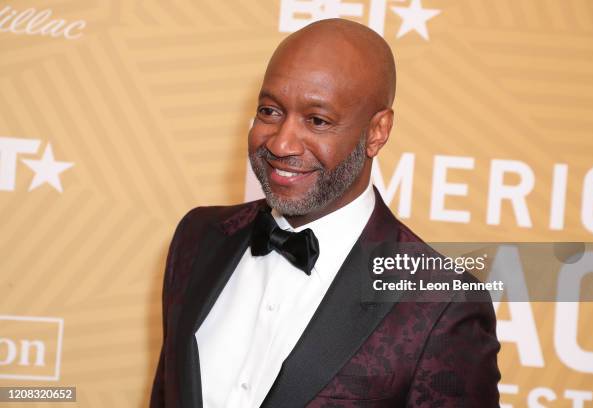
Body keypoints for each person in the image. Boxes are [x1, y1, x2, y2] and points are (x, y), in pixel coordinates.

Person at [150, 18, 500, 408]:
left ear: (377, 132)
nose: (281, 143)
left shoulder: (441, 307)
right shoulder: (199, 236)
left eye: (317, 120)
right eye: (269, 111)